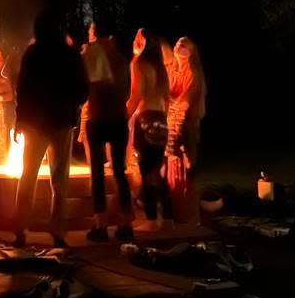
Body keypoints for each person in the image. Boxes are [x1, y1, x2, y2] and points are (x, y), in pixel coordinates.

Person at [13, 10, 89, 248]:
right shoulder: (70, 55)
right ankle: (57, 231)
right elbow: (82, 89)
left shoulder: (32, 54)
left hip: (36, 123)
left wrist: (20, 119)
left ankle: (20, 229)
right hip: (61, 122)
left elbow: (22, 88)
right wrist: (72, 105)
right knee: (59, 180)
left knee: (28, 176)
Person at [80, 18, 134, 243]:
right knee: (120, 171)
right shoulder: (122, 58)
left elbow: (83, 85)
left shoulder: (90, 55)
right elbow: (126, 88)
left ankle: (100, 225)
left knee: (97, 173)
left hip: (98, 115)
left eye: (91, 31)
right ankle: (125, 224)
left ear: (95, 33)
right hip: (119, 117)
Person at [127, 35, 173, 230]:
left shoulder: (138, 62)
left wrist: (125, 114)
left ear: (143, 43)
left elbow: (137, 94)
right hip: (161, 118)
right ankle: (168, 219)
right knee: (157, 170)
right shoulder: (161, 67)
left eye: (138, 37)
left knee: (145, 169)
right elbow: (167, 99)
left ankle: (152, 220)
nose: (134, 40)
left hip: (145, 117)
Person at [167, 36, 206, 219]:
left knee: (187, 163)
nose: (178, 47)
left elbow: (186, 100)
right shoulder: (173, 71)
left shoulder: (193, 72)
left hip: (187, 123)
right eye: (176, 44)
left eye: (183, 45)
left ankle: (189, 211)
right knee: (173, 164)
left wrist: (172, 104)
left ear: (190, 52)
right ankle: (175, 206)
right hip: (172, 121)